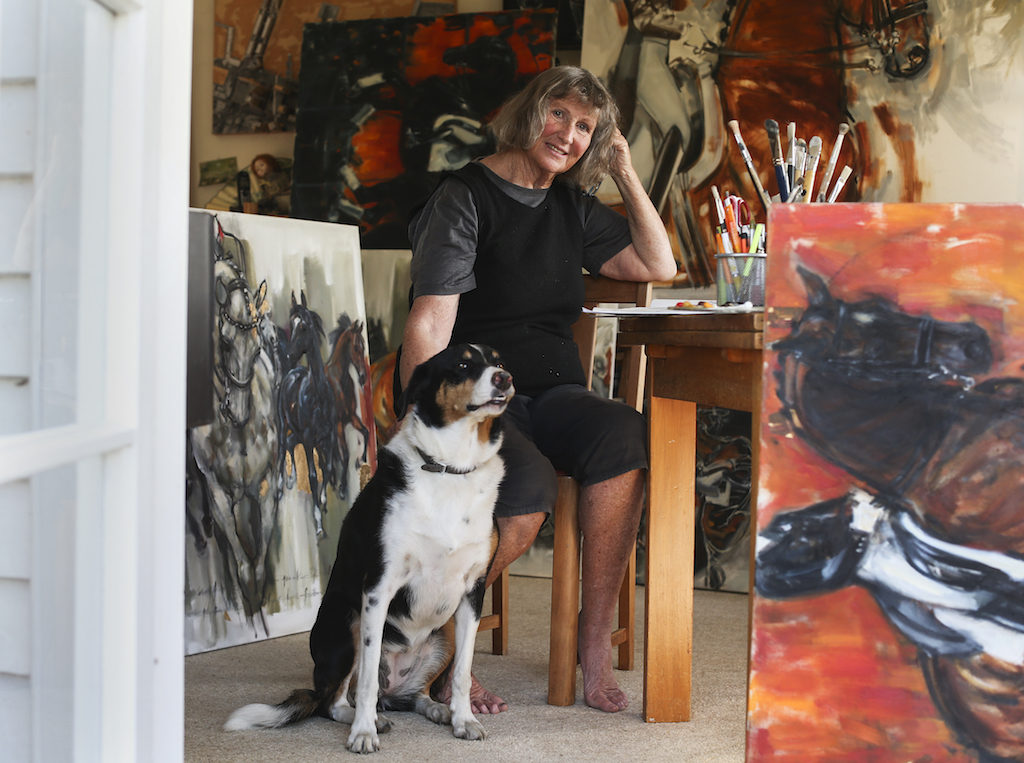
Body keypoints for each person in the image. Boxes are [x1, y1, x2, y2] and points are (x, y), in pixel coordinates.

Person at [396, 65, 677, 714]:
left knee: (623, 433)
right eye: (559, 114)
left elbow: (656, 264)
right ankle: (439, 644)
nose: (568, 134)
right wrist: (435, 421)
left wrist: (625, 174)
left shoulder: (573, 209)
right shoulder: (463, 197)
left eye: (585, 127)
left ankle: (593, 639)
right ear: (529, 112)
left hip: (555, 393)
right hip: (474, 395)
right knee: (524, 489)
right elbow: (430, 318)